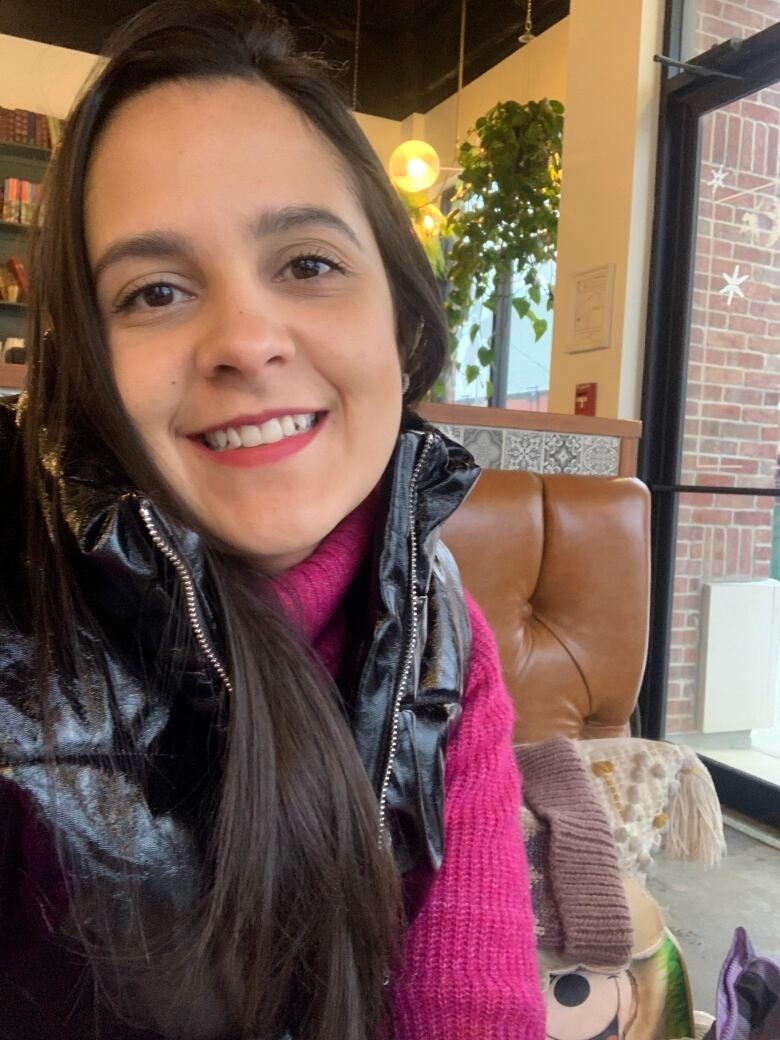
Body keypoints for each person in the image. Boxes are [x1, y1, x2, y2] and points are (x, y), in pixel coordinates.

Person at [0, 1, 544, 1037]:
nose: (246, 340)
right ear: (88, 368)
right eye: (155, 290)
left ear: (399, 314)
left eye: (306, 262)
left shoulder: (441, 640)